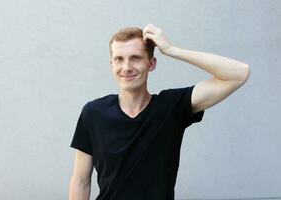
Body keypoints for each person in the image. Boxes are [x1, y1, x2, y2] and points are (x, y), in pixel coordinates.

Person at [69, 24, 250, 200]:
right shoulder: (93, 113)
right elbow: (81, 181)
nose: (126, 67)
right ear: (111, 65)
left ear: (151, 63)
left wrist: (172, 50)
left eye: (136, 58)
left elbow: (239, 73)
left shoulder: (172, 107)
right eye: (119, 59)